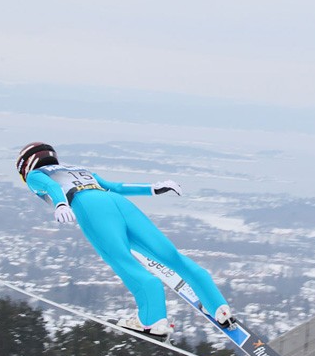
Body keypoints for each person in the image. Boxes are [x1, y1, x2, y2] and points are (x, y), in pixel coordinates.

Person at [16, 142, 236, 339]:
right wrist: (152, 189)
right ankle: (218, 306)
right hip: (117, 202)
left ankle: (152, 320)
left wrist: (61, 204)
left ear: (26, 164)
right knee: (170, 255)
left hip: (89, 206)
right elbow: (116, 187)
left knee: (122, 259)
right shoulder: (77, 169)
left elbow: (53, 187)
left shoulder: (36, 174)